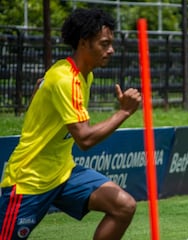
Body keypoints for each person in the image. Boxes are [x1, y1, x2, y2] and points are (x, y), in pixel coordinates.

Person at [0, 8, 141, 240]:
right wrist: (124, 112)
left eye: (111, 44)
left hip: (63, 172)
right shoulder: (65, 78)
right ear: (84, 42)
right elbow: (84, 138)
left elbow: (40, 95)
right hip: (29, 180)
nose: (111, 50)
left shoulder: (83, 74)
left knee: (123, 205)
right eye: (104, 44)